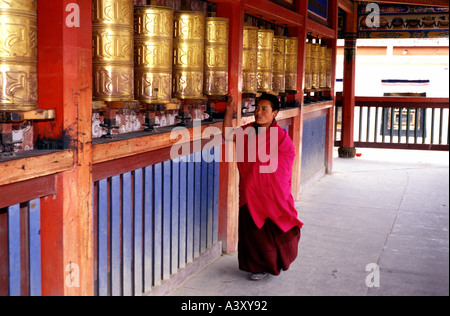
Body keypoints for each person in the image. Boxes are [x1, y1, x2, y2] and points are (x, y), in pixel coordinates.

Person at [223, 93, 303, 281]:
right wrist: (228, 110)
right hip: (249, 192)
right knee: (252, 233)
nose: (258, 113)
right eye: (256, 108)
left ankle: (271, 263)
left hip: (270, 194)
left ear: (275, 113)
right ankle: (256, 266)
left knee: (272, 230)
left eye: (264, 109)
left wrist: (269, 185)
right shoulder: (248, 131)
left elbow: (284, 166)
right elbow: (227, 134)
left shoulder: (281, 138)